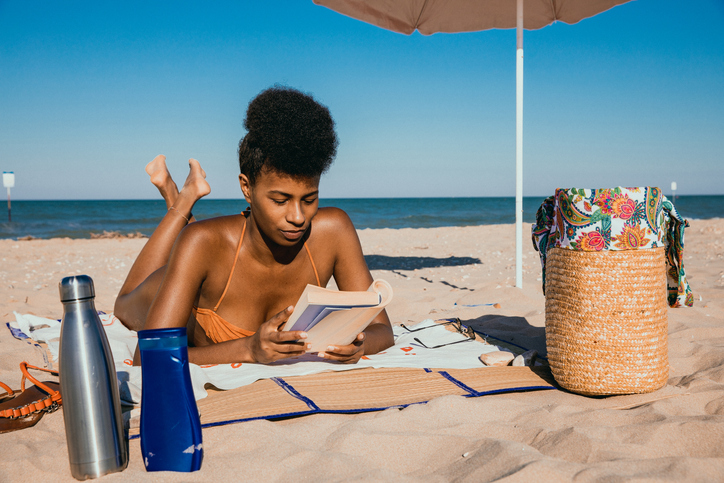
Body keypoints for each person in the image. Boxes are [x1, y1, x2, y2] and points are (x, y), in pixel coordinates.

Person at [114, 86, 393, 365]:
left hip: (206, 263)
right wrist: (249, 349)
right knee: (124, 304)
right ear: (247, 188)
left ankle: (182, 192)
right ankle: (182, 200)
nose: (298, 217)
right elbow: (148, 357)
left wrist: (359, 344)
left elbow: (382, 330)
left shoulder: (333, 230)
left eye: (309, 199)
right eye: (280, 200)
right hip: (158, 286)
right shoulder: (200, 242)